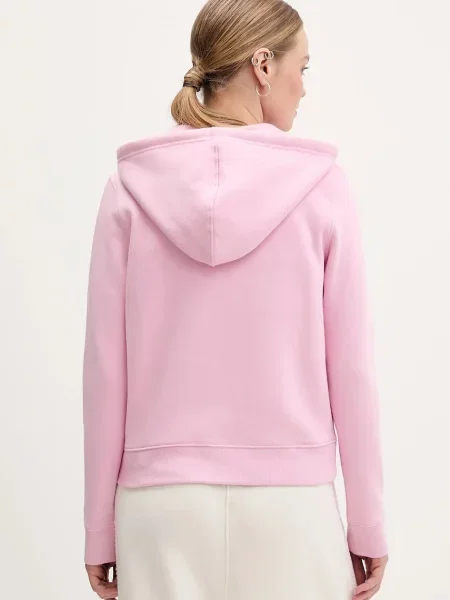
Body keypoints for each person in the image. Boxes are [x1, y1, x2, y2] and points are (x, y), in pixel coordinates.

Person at [83, 0, 389, 598]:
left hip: (158, 507)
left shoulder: (129, 188)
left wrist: (99, 530)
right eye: (303, 67)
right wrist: (368, 521)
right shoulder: (323, 187)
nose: (304, 87)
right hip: (291, 506)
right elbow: (352, 370)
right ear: (263, 65)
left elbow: (104, 370)